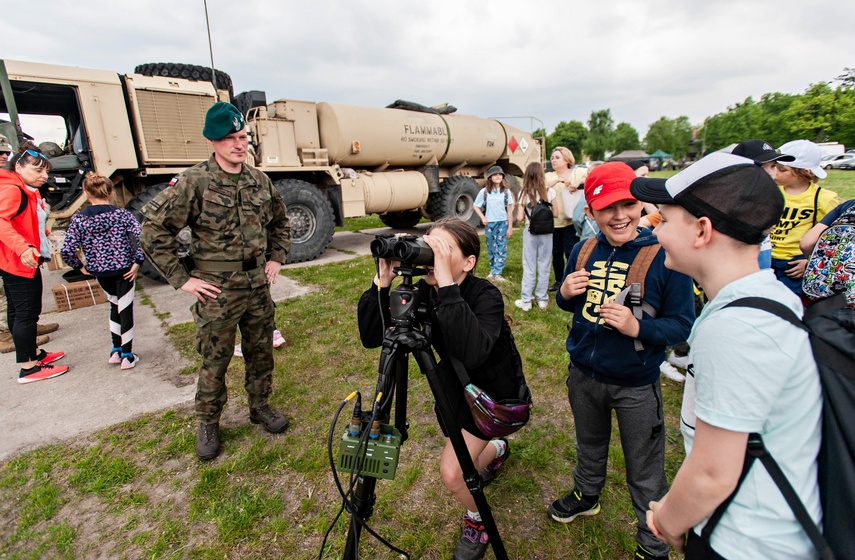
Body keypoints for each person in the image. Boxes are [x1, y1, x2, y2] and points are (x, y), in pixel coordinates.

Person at [633, 152, 822, 559]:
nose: (658, 232)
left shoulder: (736, 328)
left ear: (702, 230)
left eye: (665, 221)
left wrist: (669, 522)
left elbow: (711, 474)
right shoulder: (762, 297)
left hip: (748, 542)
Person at [357, 217, 529, 560]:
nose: (430, 255)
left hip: (493, 399)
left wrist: (448, 284)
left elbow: (473, 351)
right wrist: (383, 281)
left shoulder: (486, 295)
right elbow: (372, 335)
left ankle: (477, 519)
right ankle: (497, 451)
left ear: (468, 262)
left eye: (442, 249)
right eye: (429, 245)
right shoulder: (424, 292)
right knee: (467, 459)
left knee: (453, 475)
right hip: (453, 393)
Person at [548, 162, 695, 560]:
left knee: (644, 468)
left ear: (640, 205)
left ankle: (652, 543)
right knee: (589, 443)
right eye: (607, 207)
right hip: (584, 374)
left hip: (635, 384)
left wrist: (638, 328)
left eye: (628, 204)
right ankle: (587, 492)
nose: (619, 215)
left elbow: (682, 324)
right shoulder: (583, 249)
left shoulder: (664, 256)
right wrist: (563, 292)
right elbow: (568, 303)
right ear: (591, 212)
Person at [139, 102, 292, 461]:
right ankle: (209, 421)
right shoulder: (195, 181)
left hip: (257, 286)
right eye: (230, 139)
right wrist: (182, 280)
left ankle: (260, 406)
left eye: (243, 137)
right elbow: (153, 231)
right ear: (213, 141)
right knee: (215, 359)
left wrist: (275, 257)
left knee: (260, 351)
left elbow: (280, 222)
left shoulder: (260, 180)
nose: (239, 145)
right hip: (216, 289)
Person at [60, 174, 145, 369]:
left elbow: (67, 249)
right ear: (112, 192)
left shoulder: (79, 219)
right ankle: (127, 354)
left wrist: (80, 267)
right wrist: (137, 261)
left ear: (86, 194)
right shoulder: (122, 214)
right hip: (124, 268)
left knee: (114, 306)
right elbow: (143, 237)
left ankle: (115, 350)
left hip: (99, 270)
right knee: (125, 308)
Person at [0, 146, 68, 383]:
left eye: (45, 171)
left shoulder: (25, 189)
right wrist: (23, 247)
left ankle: (32, 354)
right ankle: (28, 367)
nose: (43, 176)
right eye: (37, 170)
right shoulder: (13, 190)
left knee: (18, 311)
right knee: (27, 313)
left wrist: (42, 235)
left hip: (16, 259)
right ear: (18, 167)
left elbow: (23, 221)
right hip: (18, 261)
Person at [769, 139, 838, 297]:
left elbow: (832, 239)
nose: (775, 173)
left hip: (794, 265)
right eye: (774, 167)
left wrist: (810, 263)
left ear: (803, 172)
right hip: (767, 260)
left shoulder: (822, 198)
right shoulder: (771, 191)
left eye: (782, 169)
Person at [731, 139, 795, 269]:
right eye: (761, 166)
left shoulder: (765, 199)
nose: (772, 173)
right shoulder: (731, 203)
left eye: (773, 166)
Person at [514, 162, 557, 311]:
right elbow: (556, 213)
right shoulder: (549, 192)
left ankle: (526, 300)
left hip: (530, 231)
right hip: (547, 233)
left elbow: (519, 218)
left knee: (529, 265)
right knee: (545, 264)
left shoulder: (523, 193)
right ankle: (542, 298)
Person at [546, 147, 582, 291]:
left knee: (571, 251)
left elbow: (593, 174)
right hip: (553, 222)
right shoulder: (549, 176)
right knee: (556, 252)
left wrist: (577, 183)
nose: (553, 160)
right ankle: (559, 280)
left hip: (571, 221)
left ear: (567, 159)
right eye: (552, 158)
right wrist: (558, 180)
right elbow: (541, 186)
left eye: (557, 157)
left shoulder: (577, 173)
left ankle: (573, 278)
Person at [472, 165, 513, 282]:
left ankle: (498, 272)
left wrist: (510, 227)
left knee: (501, 247)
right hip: (490, 223)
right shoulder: (484, 192)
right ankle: (493, 270)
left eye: (500, 175)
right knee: (491, 247)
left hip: (503, 222)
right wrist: (483, 218)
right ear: (490, 177)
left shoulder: (506, 192)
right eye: (495, 175)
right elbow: (476, 206)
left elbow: (510, 210)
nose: (498, 176)